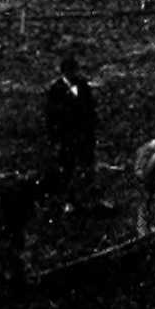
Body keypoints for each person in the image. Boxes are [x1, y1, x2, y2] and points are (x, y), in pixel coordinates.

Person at [43, 57, 97, 204]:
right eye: (69, 71)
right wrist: (54, 138)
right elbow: (51, 116)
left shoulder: (83, 85)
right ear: (64, 72)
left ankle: (90, 199)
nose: (73, 74)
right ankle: (69, 201)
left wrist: (91, 131)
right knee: (68, 169)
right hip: (66, 137)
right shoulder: (56, 89)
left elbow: (91, 110)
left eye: (74, 71)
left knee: (87, 167)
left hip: (84, 136)